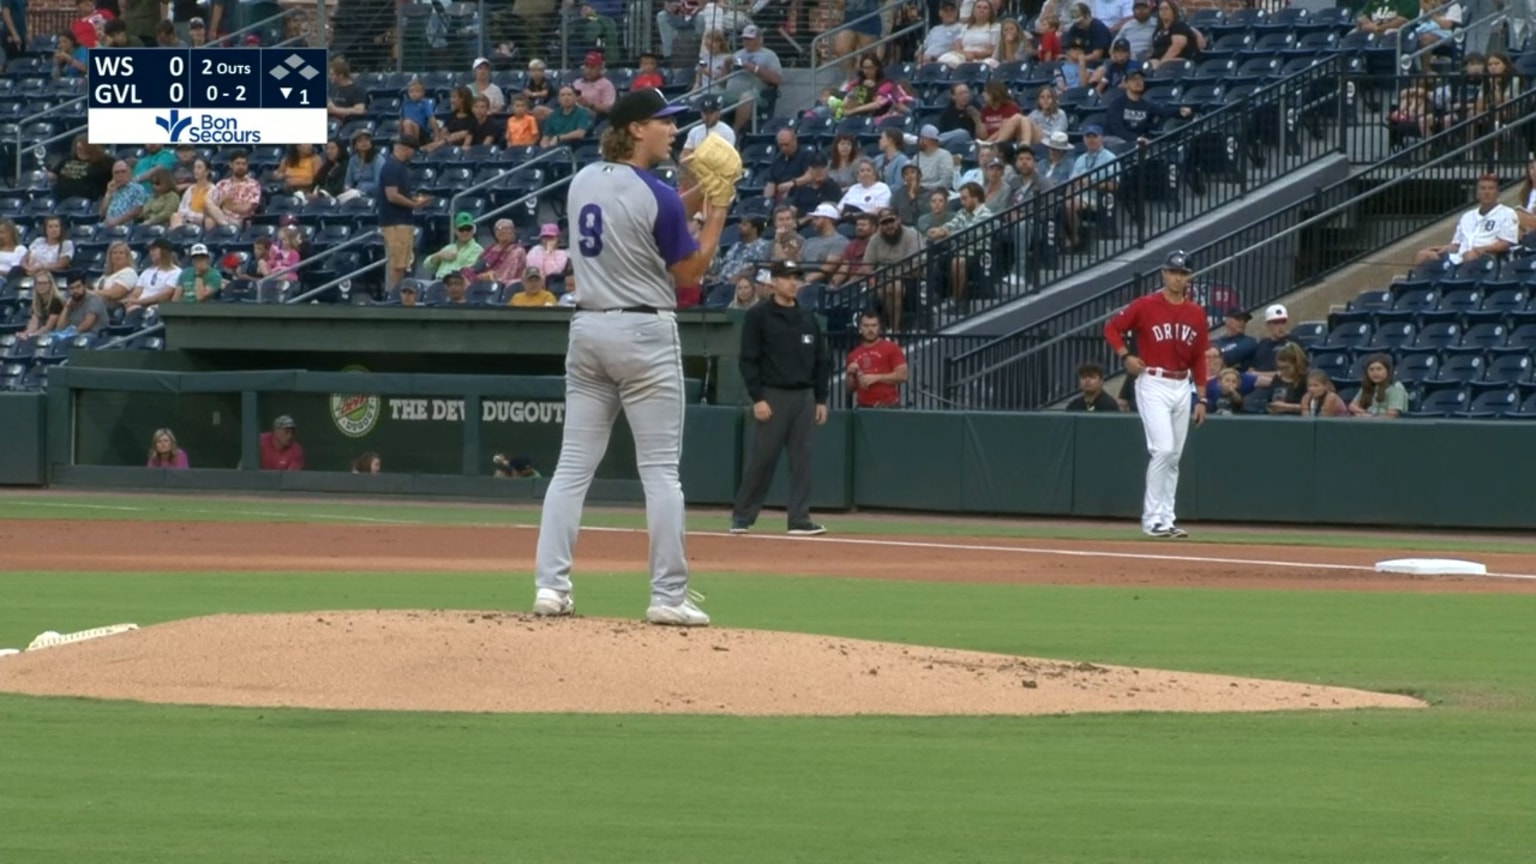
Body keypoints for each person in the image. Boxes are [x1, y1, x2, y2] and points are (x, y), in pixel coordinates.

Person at [531, 88, 726, 628]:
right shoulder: (657, 195)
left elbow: (642, 212)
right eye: (663, 121)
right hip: (644, 332)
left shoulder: (583, 180)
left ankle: (550, 587)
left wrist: (693, 191)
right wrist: (720, 206)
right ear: (637, 129)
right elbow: (689, 272)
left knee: (572, 467)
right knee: (661, 472)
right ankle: (667, 596)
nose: (672, 130)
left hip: (588, 329)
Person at [1102, 250, 1208, 538]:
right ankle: (1152, 519)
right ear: (1163, 273)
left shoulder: (1196, 313)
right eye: (1174, 272)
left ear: (1189, 277)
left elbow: (1199, 357)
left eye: (1183, 273)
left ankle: (1167, 518)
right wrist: (1125, 355)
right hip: (1153, 382)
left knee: (1173, 455)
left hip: (1182, 385)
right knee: (1162, 449)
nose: (1178, 277)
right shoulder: (1146, 305)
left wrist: (1202, 397)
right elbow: (1111, 328)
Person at [731, 260, 830, 536]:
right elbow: (748, 360)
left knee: (802, 461)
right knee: (763, 458)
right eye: (786, 278)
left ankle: (799, 518)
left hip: (804, 396)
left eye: (796, 278)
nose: (792, 283)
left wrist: (821, 398)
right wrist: (758, 397)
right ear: (773, 281)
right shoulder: (759, 316)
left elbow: (822, 360)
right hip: (773, 395)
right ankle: (742, 516)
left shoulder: (808, 317)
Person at [379, 135, 431, 292]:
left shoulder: (398, 167)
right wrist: (414, 204)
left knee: (400, 265)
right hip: (396, 222)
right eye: (412, 150)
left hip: (401, 221)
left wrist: (413, 200)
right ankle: (393, 298)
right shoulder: (392, 167)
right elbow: (392, 195)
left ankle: (394, 297)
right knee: (397, 265)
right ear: (406, 148)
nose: (413, 154)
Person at [845, 311, 908, 408]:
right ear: (860, 328)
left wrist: (875, 378)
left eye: (874, 325)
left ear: (879, 327)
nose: (870, 329)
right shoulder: (853, 355)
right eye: (866, 326)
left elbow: (903, 375)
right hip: (863, 407)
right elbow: (849, 389)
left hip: (888, 406)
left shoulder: (892, 348)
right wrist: (850, 374)